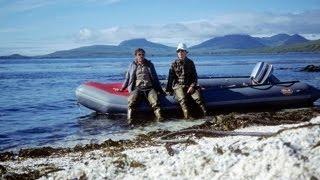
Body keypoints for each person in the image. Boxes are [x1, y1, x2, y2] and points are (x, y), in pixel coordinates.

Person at [114, 48, 164, 124]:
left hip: (149, 88)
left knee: (155, 103)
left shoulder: (150, 65)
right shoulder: (132, 65)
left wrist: (160, 90)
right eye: (139, 55)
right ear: (136, 56)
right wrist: (122, 88)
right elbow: (127, 78)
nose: (141, 56)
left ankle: (160, 119)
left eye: (143, 55)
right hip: (138, 88)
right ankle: (129, 120)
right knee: (131, 102)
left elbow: (155, 78)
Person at [165, 43, 207, 119]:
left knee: (198, 99)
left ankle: (204, 116)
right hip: (178, 86)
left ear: (186, 52)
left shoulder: (190, 63)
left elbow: (194, 77)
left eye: (182, 51)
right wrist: (169, 90)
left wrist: (192, 86)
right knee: (183, 100)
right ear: (177, 53)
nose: (180, 53)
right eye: (178, 51)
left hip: (190, 85)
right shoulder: (173, 64)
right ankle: (187, 119)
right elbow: (171, 78)